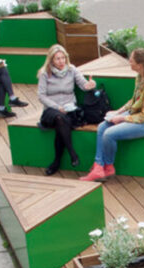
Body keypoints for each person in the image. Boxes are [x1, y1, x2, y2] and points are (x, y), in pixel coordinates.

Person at [79, 48, 144, 182]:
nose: (129, 63)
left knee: (109, 134)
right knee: (103, 126)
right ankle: (98, 168)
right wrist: (118, 111)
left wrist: (122, 118)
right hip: (137, 113)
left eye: (131, 61)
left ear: (139, 65)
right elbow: (135, 100)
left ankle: (108, 166)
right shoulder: (141, 75)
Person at [37, 44, 96, 175]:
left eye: (63, 58)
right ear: (51, 60)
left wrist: (90, 85)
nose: (61, 61)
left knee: (61, 124)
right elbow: (41, 96)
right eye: (57, 59)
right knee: (59, 118)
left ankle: (56, 162)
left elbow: (83, 84)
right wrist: (57, 107)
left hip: (70, 109)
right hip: (52, 110)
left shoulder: (72, 70)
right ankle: (72, 153)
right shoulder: (45, 74)